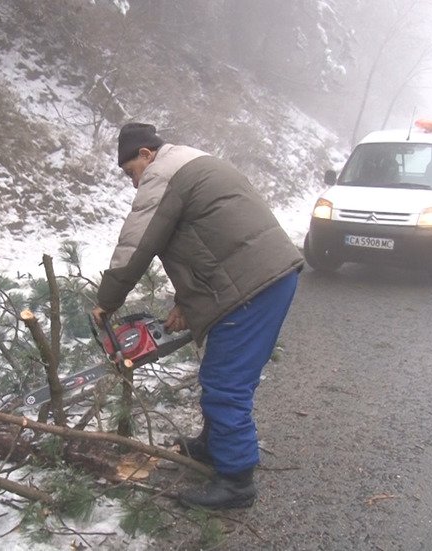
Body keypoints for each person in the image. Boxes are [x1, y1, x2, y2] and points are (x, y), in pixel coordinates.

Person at [91, 122, 303, 509]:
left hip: (252, 286)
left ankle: (237, 482)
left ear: (145, 155)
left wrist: (107, 299)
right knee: (223, 375)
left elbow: (137, 241)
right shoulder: (194, 162)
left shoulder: (163, 174)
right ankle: (213, 446)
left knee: (225, 384)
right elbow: (208, 242)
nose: (132, 183)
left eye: (130, 172)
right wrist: (185, 302)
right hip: (260, 277)